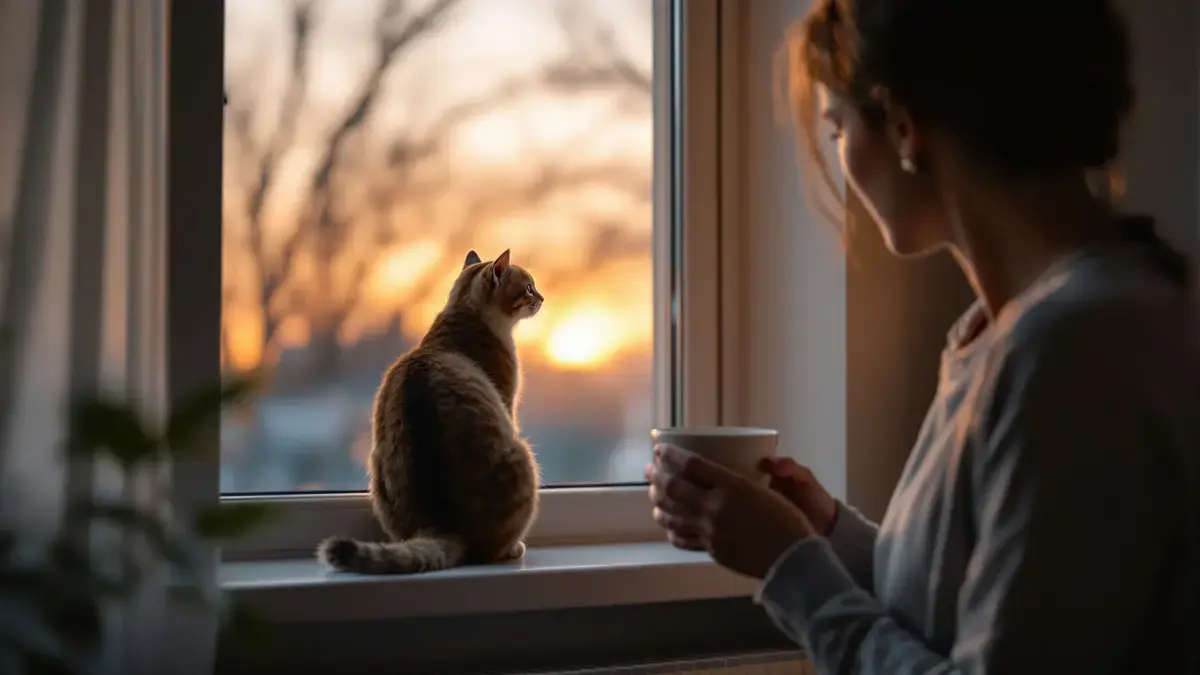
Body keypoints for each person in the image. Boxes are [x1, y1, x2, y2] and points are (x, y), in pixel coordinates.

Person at [646, 1, 1200, 674]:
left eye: (838, 128)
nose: (841, 159)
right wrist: (827, 531)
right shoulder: (1013, 333)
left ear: (903, 125)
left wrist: (791, 569)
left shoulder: (1073, 349)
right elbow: (969, 604)